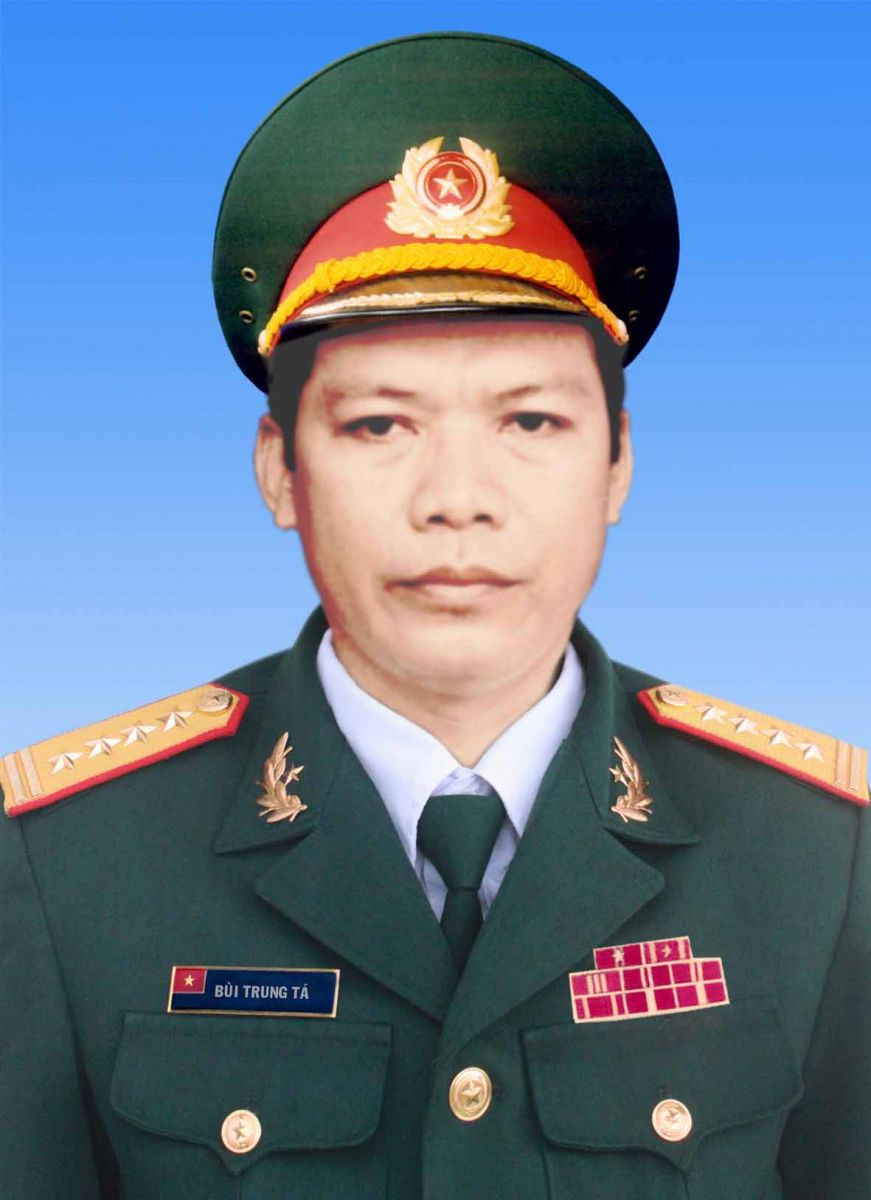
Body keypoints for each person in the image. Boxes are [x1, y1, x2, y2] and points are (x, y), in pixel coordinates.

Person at [1, 32, 868, 1200]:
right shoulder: (62, 864)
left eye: (529, 422)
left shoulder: (818, 854)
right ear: (279, 471)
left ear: (617, 464)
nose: (457, 500)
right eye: (380, 426)